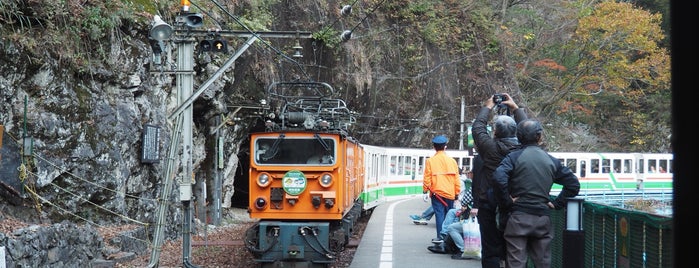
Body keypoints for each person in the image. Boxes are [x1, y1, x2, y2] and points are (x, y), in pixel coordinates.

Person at [492, 119, 580, 268]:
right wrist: (556, 203)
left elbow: (498, 178)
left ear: (518, 137)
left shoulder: (513, 158)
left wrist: (507, 201)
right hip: (542, 218)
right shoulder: (551, 160)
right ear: (539, 137)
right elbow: (573, 184)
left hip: (518, 217)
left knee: (516, 262)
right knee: (543, 262)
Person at [471, 93, 527, 268]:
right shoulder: (524, 149)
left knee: (489, 247)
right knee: (516, 248)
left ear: (495, 132)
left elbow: (478, 128)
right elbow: (529, 129)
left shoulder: (489, 148)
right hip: (515, 204)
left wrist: (487, 107)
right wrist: (515, 108)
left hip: (489, 203)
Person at [427, 169, 475, 259]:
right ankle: (444, 237)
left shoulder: (475, 186)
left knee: (452, 226)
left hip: (473, 217)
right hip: (470, 212)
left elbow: (465, 200)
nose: (469, 175)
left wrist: (464, 206)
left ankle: (461, 249)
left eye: (470, 173)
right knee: (451, 212)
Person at [423, 135, 461, 243]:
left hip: (437, 193)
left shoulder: (430, 161)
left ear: (434, 147)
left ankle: (440, 237)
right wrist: (457, 193)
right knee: (449, 215)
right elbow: (456, 178)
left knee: (439, 214)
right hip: (450, 193)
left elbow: (427, 177)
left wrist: (425, 191)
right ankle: (449, 239)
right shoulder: (452, 161)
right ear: (445, 147)